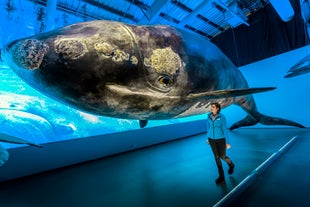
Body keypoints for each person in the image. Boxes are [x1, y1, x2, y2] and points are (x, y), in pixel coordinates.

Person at [207, 102, 234, 184]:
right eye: (211, 107)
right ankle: (221, 176)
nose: (211, 108)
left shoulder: (222, 117)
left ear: (217, 108)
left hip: (221, 139)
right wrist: (207, 137)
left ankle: (231, 164)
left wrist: (228, 142)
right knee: (216, 157)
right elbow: (208, 126)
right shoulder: (208, 116)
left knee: (223, 156)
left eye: (213, 107)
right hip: (211, 139)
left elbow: (225, 130)